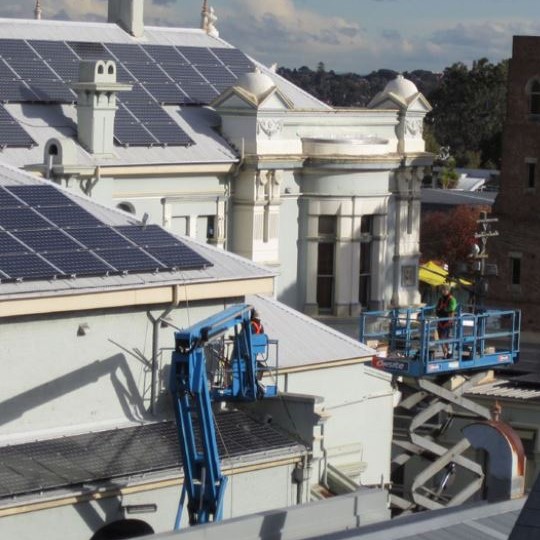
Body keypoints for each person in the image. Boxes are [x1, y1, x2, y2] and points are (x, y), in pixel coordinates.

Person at [436, 284, 457, 358]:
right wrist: (438, 311)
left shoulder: (452, 299)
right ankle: (445, 352)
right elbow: (437, 308)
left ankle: (448, 352)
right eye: (443, 290)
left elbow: (451, 308)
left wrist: (443, 310)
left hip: (447, 321)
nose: (444, 291)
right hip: (440, 321)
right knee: (440, 337)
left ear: (448, 291)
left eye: (445, 290)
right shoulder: (440, 299)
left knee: (445, 337)